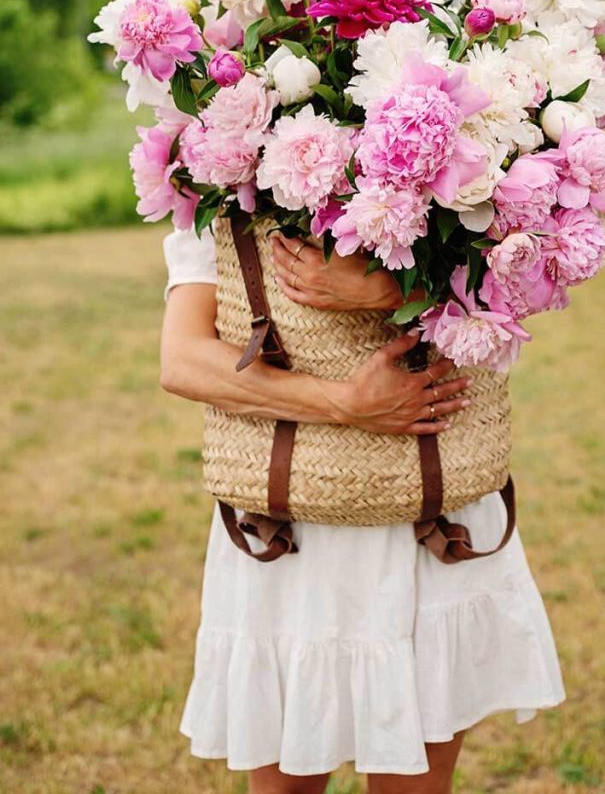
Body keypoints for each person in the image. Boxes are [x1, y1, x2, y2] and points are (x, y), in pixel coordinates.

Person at [159, 222, 565, 794]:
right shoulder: (225, 191)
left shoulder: (468, 160)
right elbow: (182, 359)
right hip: (291, 536)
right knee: (285, 789)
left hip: (430, 527)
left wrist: (392, 290)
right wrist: (344, 403)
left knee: (415, 787)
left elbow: (530, 280)